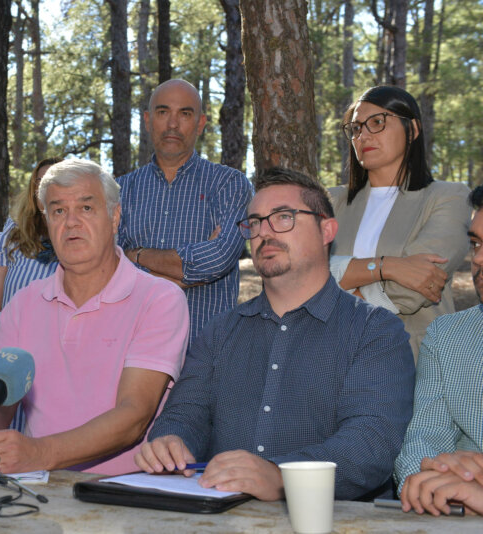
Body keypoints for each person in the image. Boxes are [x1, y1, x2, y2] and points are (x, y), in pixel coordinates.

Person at [135, 168, 415, 501]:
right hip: (221, 520)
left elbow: (371, 443)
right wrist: (171, 442)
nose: (264, 232)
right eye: (255, 223)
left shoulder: (376, 331)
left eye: (283, 217)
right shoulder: (219, 332)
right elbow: (185, 414)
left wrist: (282, 478)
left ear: (327, 229)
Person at [0, 158, 189, 476]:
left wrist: (40, 453)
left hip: (128, 494)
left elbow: (133, 417)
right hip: (39, 490)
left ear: (114, 216)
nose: (71, 223)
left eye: (86, 208)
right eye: (58, 211)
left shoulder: (159, 299)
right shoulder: (21, 305)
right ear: (47, 223)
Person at [330, 85, 471, 357]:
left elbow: (416, 287)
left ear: (413, 130)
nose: (363, 135)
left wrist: (330, 301)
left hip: (415, 362)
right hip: (334, 361)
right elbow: (300, 272)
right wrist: (387, 266)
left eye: (378, 122)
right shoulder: (330, 202)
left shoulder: (449, 197)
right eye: (356, 128)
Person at [117, 79, 252, 343]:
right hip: (131, 350)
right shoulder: (119, 190)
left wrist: (136, 255)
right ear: (147, 120)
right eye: (163, 112)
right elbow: (109, 271)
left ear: (200, 123)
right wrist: (191, 274)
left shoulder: (230, 184)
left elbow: (219, 260)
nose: (172, 124)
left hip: (205, 356)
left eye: (185, 114)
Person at [395, 185, 483, 515]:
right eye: (475, 244)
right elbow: (426, 436)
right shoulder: (447, 336)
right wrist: (428, 480)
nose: (477, 259)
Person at [0, 157, 63, 311]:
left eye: (56, 181)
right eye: (41, 182)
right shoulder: (12, 234)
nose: (47, 189)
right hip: (8, 333)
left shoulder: (82, 241)